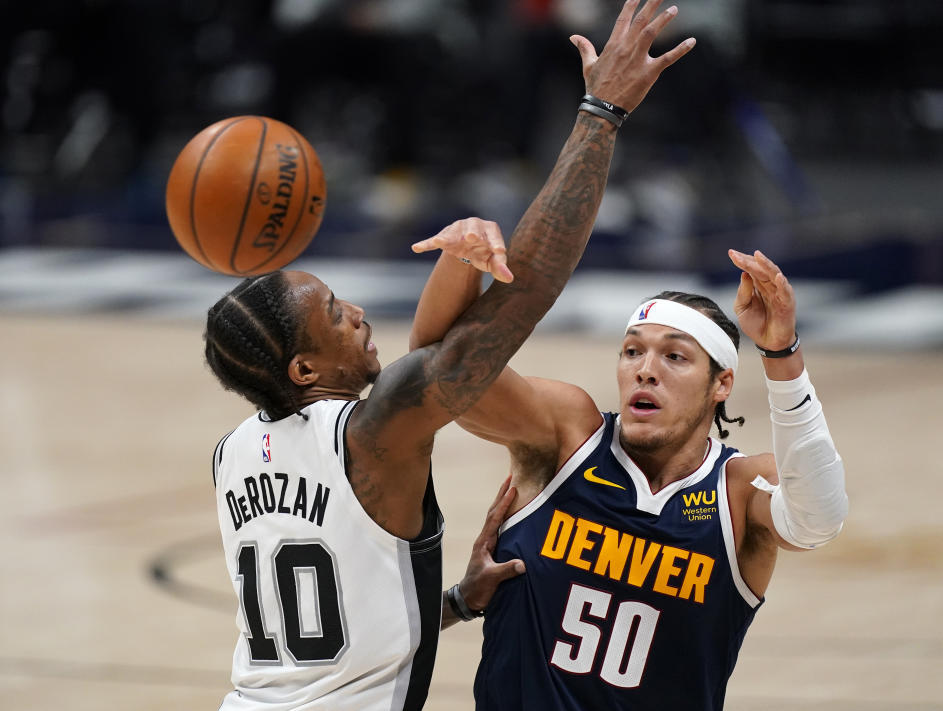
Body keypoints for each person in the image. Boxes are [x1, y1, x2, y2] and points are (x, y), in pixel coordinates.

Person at [201, 2, 696, 709]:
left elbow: (326, 631)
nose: (360, 314)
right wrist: (601, 112)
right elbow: (522, 299)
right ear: (303, 371)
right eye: (336, 317)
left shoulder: (233, 456)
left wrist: (458, 602)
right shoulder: (371, 434)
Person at [408, 242, 849, 709]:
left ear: (720, 384)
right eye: (632, 351)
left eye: (674, 357)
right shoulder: (565, 437)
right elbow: (434, 378)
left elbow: (818, 518)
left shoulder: (737, 489)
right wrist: (460, 259)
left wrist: (781, 353)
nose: (645, 370)